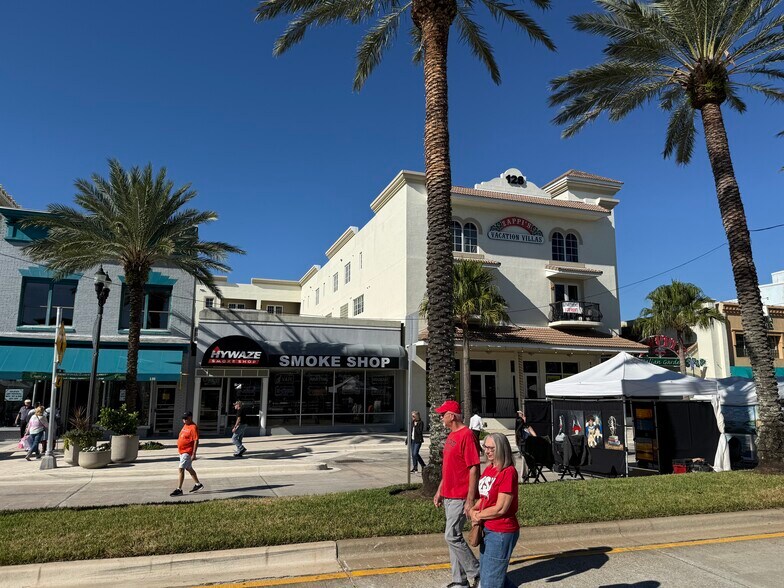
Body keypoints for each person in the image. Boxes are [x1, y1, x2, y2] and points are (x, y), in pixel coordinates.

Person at [433, 400, 481, 588]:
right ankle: (459, 581)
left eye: (442, 414)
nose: (440, 417)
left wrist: (469, 500)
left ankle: (477, 573)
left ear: (451, 416)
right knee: (454, 538)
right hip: (449, 494)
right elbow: (449, 468)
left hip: (460, 496)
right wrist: (439, 490)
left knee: (451, 536)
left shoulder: (467, 435)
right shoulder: (452, 435)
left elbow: (473, 468)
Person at [469, 432, 520, 588]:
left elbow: (501, 508)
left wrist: (478, 515)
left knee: (490, 582)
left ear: (502, 449)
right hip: (488, 529)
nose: (487, 451)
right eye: (485, 447)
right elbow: (485, 498)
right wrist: (472, 509)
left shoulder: (508, 472)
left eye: (492, 448)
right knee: (491, 576)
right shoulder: (490, 469)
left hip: (501, 533)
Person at [170, 412, 203, 496]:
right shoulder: (185, 425)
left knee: (181, 469)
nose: (184, 420)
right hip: (182, 451)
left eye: (186, 418)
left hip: (187, 452)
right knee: (188, 468)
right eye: (183, 418)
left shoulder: (193, 427)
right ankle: (198, 485)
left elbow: (196, 440)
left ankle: (179, 489)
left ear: (190, 417)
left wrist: (194, 454)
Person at [514, 410, 536, 481]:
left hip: (529, 446)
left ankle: (527, 475)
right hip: (524, 447)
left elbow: (535, 436)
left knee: (526, 458)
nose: (524, 417)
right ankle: (524, 476)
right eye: (522, 415)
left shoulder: (527, 427)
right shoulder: (519, 430)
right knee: (525, 458)